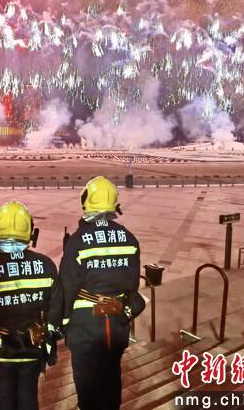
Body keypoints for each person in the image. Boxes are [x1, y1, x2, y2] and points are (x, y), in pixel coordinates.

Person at [0, 201, 63, 410]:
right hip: (32, 350)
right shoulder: (46, 265)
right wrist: (49, 338)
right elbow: (57, 307)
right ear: (30, 231)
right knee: (28, 401)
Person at [60, 176, 146, 410]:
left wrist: (63, 324)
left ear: (87, 201)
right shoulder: (129, 238)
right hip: (117, 322)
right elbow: (132, 286)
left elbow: (67, 287)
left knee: (87, 384)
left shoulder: (78, 241)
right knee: (111, 378)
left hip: (85, 326)